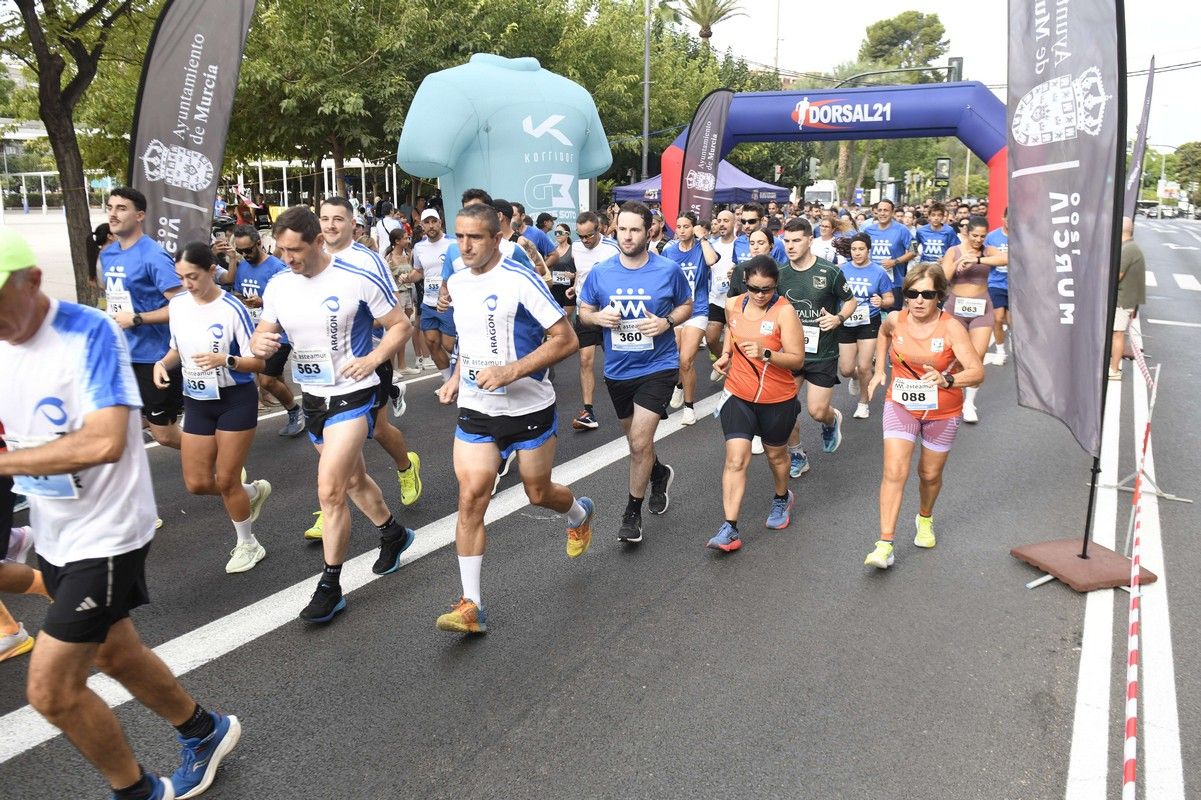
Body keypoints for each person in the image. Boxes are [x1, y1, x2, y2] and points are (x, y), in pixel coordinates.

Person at [0, 228, 239, 799]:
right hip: (55, 532)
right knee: (117, 653)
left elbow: (106, 440)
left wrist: (8, 462)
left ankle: (136, 792)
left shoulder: (88, 332)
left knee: (51, 691)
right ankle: (204, 731)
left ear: (32, 282)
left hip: (108, 532)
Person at [433, 204, 593, 633]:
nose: (465, 246)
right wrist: (454, 376)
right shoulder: (457, 282)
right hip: (477, 408)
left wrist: (510, 371)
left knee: (537, 493)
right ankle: (471, 605)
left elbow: (567, 339)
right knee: (471, 496)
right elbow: (472, 338)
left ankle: (579, 513)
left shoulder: (519, 280)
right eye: (460, 237)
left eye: (476, 238)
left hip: (528, 406)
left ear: (496, 238)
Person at [251, 206, 416, 623]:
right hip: (315, 397)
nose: (287, 258)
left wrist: (374, 357)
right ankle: (393, 533)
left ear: (318, 242)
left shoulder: (354, 277)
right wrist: (261, 346)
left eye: (295, 250)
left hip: (354, 392)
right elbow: (262, 334)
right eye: (281, 249)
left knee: (329, 489)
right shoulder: (279, 285)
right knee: (354, 479)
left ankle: (330, 585)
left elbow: (399, 325)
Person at [307, 198, 423, 542]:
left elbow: (391, 314)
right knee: (331, 441)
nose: (330, 226)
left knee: (377, 428)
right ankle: (330, 498)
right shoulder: (309, 260)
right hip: (322, 374)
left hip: (366, 360)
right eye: (324, 219)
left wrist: (347, 318)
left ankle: (406, 466)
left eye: (337, 219)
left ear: (353, 224)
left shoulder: (367, 261)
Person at [153, 242, 273, 575]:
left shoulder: (231, 308)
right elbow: (174, 349)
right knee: (196, 482)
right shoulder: (178, 306)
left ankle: (249, 544)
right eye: (181, 277)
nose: (187, 284)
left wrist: (226, 359)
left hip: (235, 400)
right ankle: (253, 491)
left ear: (211, 271)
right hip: (197, 400)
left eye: (192, 276)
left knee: (227, 481)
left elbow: (257, 362)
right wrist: (161, 364)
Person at [578, 201, 692, 544]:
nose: (627, 236)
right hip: (618, 370)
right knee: (636, 443)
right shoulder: (602, 272)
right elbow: (585, 310)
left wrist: (667, 321)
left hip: (658, 367)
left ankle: (632, 513)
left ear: (649, 231)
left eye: (635, 230)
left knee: (640, 443)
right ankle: (659, 473)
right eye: (622, 229)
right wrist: (597, 319)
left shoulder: (668, 269)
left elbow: (687, 304)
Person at [863, 263, 985, 569]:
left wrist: (948, 381)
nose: (918, 300)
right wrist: (880, 371)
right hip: (900, 404)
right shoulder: (895, 319)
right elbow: (883, 333)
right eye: (912, 293)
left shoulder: (952, 327)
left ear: (939, 296)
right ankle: (884, 543)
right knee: (894, 470)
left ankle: (925, 517)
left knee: (929, 475)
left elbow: (977, 372)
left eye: (926, 294)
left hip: (942, 409)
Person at [707, 256, 806, 552]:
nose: (761, 295)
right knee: (736, 459)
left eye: (767, 289)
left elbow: (797, 360)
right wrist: (725, 356)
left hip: (777, 398)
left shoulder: (785, 312)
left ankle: (781, 497)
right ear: (745, 282)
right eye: (754, 288)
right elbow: (731, 339)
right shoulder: (733, 304)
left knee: (776, 457)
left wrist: (766, 353)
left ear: (776, 285)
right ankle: (730, 528)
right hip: (738, 394)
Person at [771, 218, 857, 478]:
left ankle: (831, 420)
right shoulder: (781, 274)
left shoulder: (829, 271)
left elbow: (850, 302)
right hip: (790, 355)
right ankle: (798, 454)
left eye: (797, 240)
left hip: (823, 353)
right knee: (783, 410)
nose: (790, 246)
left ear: (810, 240)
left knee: (816, 411)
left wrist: (838, 318)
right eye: (786, 241)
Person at [100, 187, 184, 450]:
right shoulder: (108, 255)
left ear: (140, 215)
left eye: (121, 208)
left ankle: (219, 458)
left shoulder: (153, 255)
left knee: (165, 435)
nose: (113, 214)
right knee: (116, 428)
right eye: (110, 207)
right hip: (121, 355)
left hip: (153, 358)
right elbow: (112, 299)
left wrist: (137, 319)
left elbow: (181, 306)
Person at [227, 225, 305, 436]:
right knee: (275, 377)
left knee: (266, 380)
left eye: (248, 250)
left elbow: (292, 300)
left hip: (279, 334)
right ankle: (303, 408)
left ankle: (295, 411)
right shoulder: (242, 267)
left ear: (259, 244)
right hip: (255, 332)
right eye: (241, 251)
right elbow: (236, 290)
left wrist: (262, 301)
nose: (245, 255)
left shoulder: (277, 267)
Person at [940, 216, 997, 423]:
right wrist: (958, 264)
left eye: (982, 236)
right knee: (953, 357)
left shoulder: (987, 250)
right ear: (967, 232)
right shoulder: (954, 250)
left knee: (977, 355)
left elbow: (1005, 259)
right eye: (975, 235)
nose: (978, 240)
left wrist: (978, 259)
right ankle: (952, 394)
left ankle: (969, 403)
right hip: (956, 307)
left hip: (981, 307)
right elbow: (943, 277)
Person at [567, 210, 620, 431]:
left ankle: (629, 403)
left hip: (609, 312)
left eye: (589, 235)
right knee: (586, 361)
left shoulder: (611, 249)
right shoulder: (576, 248)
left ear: (598, 230)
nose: (586, 240)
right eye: (581, 236)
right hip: (586, 312)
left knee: (616, 362)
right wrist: (575, 288)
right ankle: (588, 411)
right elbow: (581, 273)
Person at [662, 212, 716, 425]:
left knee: (686, 360)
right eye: (679, 226)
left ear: (693, 227)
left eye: (686, 226)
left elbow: (712, 260)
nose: (681, 230)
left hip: (698, 310)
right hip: (676, 311)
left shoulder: (702, 248)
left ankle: (689, 407)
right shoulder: (669, 251)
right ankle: (679, 384)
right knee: (672, 359)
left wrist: (702, 238)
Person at [838, 232, 894, 419]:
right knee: (846, 369)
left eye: (861, 249)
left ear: (868, 250)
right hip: (846, 321)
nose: (857, 253)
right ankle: (855, 377)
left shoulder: (878, 272)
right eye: (854, 249)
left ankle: (863, 402)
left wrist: (882, 301)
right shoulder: (841, 269)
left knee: (864, 366)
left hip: (869, 322)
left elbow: (890, 299)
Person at [862, 199, 914, 310]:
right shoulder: (868, 231)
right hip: (872, 280)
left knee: (892, 318)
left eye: (886, 210)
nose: (882, 213)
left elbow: (914, 251)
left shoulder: (902, 230)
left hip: (894, 283)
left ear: (892, 212)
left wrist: (895, 261)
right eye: (880, 210)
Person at [1111, 216, 1145, 380]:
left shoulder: (1128, 250)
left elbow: (1116, 276)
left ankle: (1115, 370)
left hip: (1122, 299)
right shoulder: (1130, 247)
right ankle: (1113, 366)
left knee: (1117, 334)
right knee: (1116, 333)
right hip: (1127, 298)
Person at [705, 208, 738, 370]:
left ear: (734, 223)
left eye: (726, 221)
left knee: (738, 341)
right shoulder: (711, 245)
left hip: (737, 301)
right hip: (715, 299)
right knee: (711, 339)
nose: (722, 224)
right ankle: (727, 363)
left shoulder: (741, 244)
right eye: (719, 221)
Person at [984, 209, 1011, 366]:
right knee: (998, 318)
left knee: (1012, 321)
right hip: (996, 282)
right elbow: (988, 257)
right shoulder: (992, 237)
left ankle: (1015, 340)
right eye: (1008, 218)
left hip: (1016, 284)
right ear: (1003, 218)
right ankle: (1000, 351)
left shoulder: (1023, 236)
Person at [548, 222, 577, 315]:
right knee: (556, 318)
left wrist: (573, 275)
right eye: (555, 233)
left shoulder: (574, 250)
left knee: (567, 318)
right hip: (554, 289)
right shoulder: (552, 250)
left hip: (569, 288)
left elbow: (582, 270)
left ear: (567, 234)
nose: (557, 235)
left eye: (560, 232)